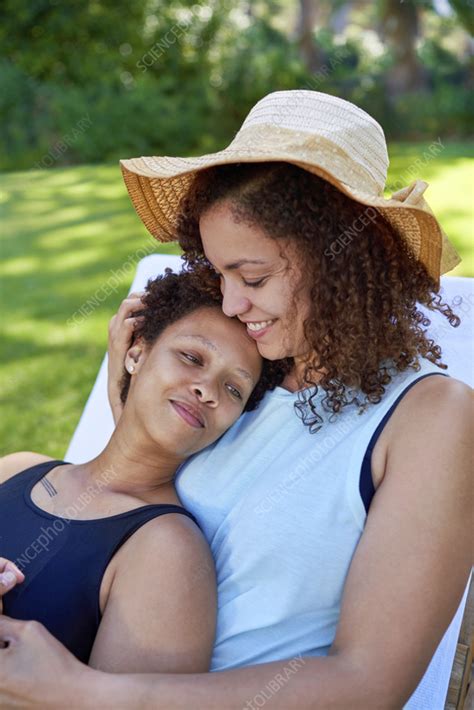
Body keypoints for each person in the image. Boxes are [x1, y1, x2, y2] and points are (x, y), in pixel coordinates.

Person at [0, 90, 471, 709]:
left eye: (252, 279)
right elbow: (123, 502)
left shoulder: (429, 420)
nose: (230, 305)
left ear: (340, 261)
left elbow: (368, 684)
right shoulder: (243, 375)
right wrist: (137, 380)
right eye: (219, 276)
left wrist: (85, 690)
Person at [0, 268, 284, 674]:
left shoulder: (166, 552)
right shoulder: (17, 469)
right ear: (136, 354)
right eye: (191, 357)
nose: (207, 388)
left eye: (233, 389)